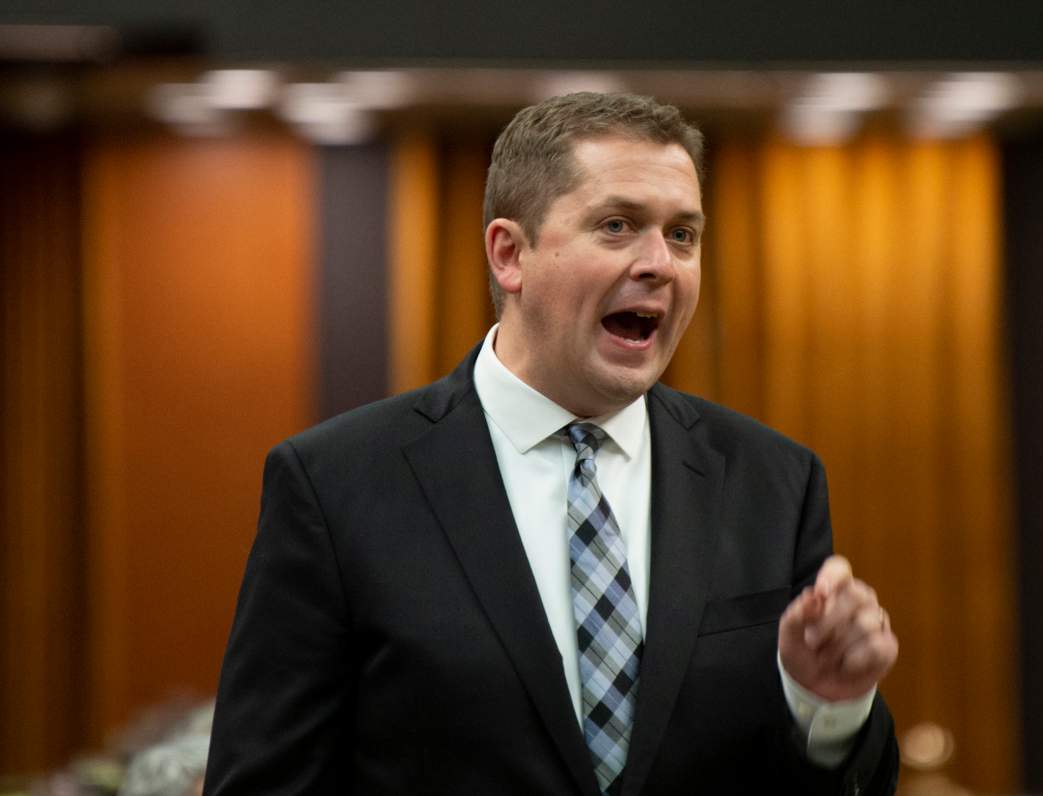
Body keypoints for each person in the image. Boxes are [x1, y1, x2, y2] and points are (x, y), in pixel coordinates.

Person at [204, 92, 899, 795]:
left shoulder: (773, 481)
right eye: (618, 225)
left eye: (683, 235)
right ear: (510, 254)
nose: (660, 262)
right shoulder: (335, 484)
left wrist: (828, 707)